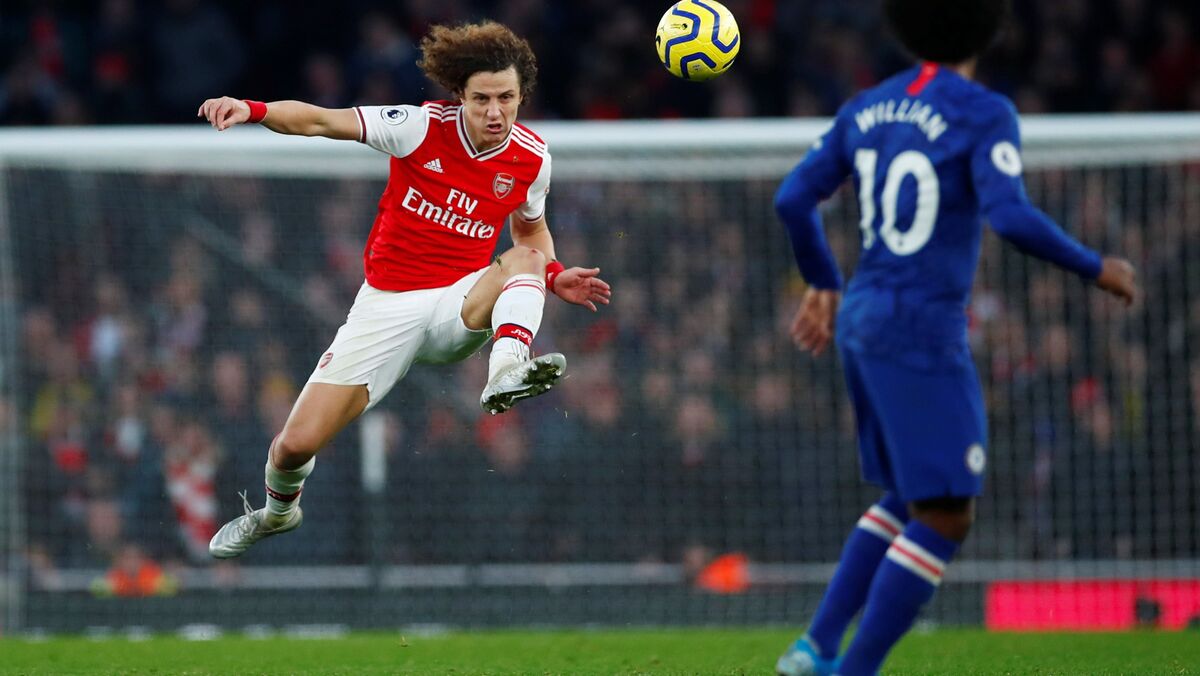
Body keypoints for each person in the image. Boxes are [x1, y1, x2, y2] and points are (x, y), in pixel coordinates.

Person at [771, 2, 1137, 674]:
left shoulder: (866, 106)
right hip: (920, 327)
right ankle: (851, 669)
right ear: (990, 27)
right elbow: (1010, 216)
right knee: (946, 515)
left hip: (861, 317)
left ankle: (816, 648)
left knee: (908, 494)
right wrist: (1096, 266)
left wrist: (823, 281)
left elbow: (792, 198)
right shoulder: (983, 111)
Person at [197, 21, 611, 559]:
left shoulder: (533, 158)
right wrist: (252, 109)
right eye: (482, 99)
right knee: (294, 446)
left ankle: (506, 369)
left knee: (526, 260)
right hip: (386, 307)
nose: (495, 112)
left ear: (521, 96)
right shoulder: (418, 127)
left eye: (506, 98)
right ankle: (278, 514)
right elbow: (321, 120)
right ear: (459, 94)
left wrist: (552, 275)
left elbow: (530, 233)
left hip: (459, 302)